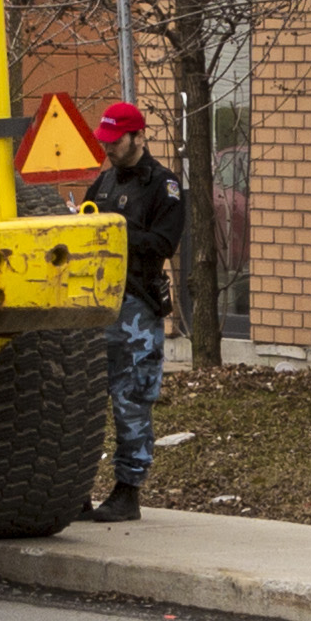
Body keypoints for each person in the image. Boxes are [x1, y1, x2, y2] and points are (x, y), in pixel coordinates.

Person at [84, 99, 183, 522]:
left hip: (135, 306)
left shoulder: (164, 186)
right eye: (104, 141)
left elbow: (163, 244)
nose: (108, 149)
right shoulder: (103, 184)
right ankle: (77, 490)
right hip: (94, 306)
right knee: (85, 400)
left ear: (138, 136)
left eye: (116, 141)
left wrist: (114, 233)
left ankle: (128, 492)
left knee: (131, 399)